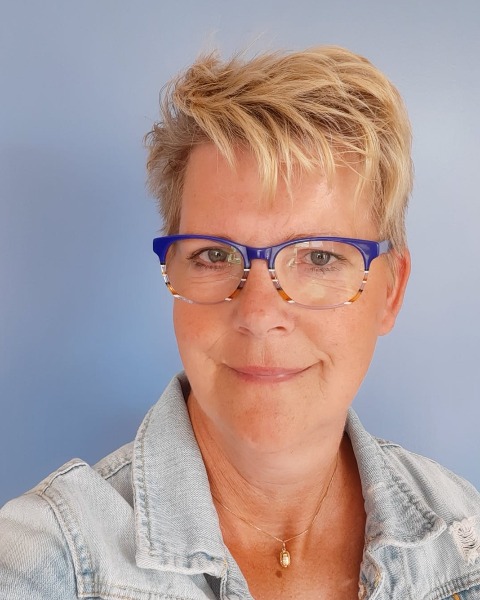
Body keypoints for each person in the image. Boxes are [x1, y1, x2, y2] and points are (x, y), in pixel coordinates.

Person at [1, 45, 479, 600]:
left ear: (390, 291)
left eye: (319, 257)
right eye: (215, 255)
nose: (258, 315)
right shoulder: (45, 562)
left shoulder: (463, 540)